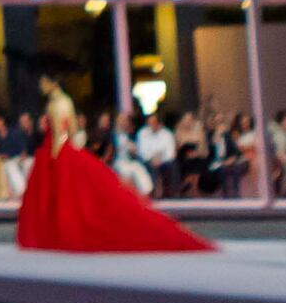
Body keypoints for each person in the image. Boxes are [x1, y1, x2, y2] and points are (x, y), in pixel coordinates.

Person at [12, 80, 212, 253]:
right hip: (56, 152)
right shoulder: (59, 103)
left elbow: (65, 132)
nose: (42, 85)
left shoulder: (60, 103)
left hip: (57, 152)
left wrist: (57, 152)